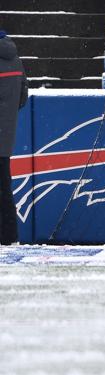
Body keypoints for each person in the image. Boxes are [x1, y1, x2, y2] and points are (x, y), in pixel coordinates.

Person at [0, 30, 28, 246]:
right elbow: (22, 98)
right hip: (4, 137)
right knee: (4, 189)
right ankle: (10, 237)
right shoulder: (16, 60)